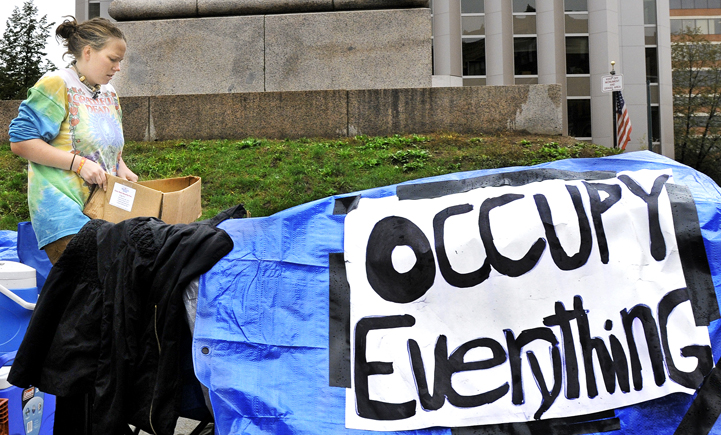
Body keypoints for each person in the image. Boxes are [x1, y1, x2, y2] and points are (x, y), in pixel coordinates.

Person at [9, 16, 137, 264]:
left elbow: (105, 146)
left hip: (103, 213)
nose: (118, 68)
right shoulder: (57, 84)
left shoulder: (109, 93)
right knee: (89, 292)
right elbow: (21, 141)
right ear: (88, 52)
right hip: (63, 213)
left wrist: (122, 168)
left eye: (120, 61)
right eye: (113, 59)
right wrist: (78, 164)